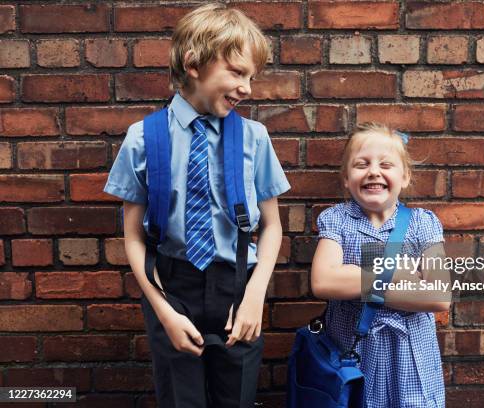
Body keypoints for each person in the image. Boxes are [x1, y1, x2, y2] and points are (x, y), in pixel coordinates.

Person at [103, 4, 290, 407]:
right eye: (237, 73)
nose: (248, 88)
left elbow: (272, 226)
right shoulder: (142, 138)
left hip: (238, 287)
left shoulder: (254, 138)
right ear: (194, 63)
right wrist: (163, 311)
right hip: (171, 287)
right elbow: (133, 237)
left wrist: (255, 295)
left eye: (252, 77)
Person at [310, 123, 450, 407]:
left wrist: (354, 281)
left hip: (412, 360)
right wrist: (395, 274)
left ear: (405, 176)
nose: (374, 171)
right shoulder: (336, 220)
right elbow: (323, 282)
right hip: (354, 355)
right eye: (362, 164)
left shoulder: (423, 223)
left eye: (386, 164)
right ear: (346, 178)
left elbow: (438, 295)